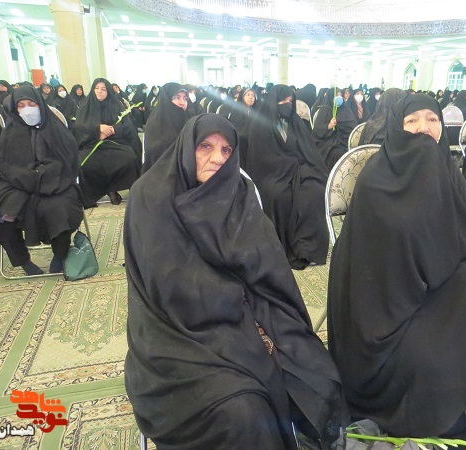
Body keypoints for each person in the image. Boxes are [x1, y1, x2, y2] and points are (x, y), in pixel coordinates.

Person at [124, 113, 348, 450]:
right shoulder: (151, 196)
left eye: (226, 150)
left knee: (312, 367)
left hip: (249, 309)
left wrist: (260, 315)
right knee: (241, 410)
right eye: (206, 147)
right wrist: (237, 302)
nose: (217, 158)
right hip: (177, 331)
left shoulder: (238, 193)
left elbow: (268, 265)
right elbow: (169, 286)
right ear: (187, 148)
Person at [328, 93, 466, 450]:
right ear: (396, 127)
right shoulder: (377, 180)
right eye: (412, 121)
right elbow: (376, 271)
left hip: (441, 293)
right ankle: (451, 430)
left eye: (432, 119)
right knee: (436, 357)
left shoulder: (447, 172)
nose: (423, 127)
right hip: (389, 314)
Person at [0, 85, 83, 275]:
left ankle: (59, 256)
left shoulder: (56, 129)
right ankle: (23, 261)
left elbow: (68, 162)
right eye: (21, 105)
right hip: (17, 184)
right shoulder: (10, 132)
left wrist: (42, 174)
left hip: (56, 183)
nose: (27, 109)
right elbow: (5, 166)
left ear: (40, 104)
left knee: (59, 210)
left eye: (31, 104)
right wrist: (27, 175)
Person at [245, 84, 329, 270]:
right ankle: (283, 247)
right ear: (274, 101)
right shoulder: (260, 124)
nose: (287, 104)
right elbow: (262, 158)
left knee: (314, 190)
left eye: (291, 101)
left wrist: (301, 166)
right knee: (280, 195)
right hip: (272, 173)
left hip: (299, 170)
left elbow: (308, 151)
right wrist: (289, 164)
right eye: (283, 100)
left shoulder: (296, 123)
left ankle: (307, 248)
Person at [74, 78, 141, 207]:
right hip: (92, 143)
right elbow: (79, 127)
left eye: (103, 89)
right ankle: (109, 191)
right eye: (96, 88)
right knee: (84, 162)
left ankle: (129, 189)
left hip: (115, 141)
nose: (99, 91)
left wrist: (111, 130)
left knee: (130, 158)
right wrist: (98, 128)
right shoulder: (85, 106)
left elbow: (127, 125)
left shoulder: (116, 105)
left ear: (108, 91)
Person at [142, 82, 189, 173]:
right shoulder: (156, 123)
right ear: (166, 99)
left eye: (185, 98)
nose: (182, 103)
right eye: (177, 97)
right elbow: (155, 158)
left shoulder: (185, 119)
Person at [312, 88, 357, 170]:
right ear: (330, 97)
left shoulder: (346, 110)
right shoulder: (325, 110)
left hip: (344, 140)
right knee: (337, 153)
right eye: (336, 95)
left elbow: (352, 127)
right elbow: (317, 131)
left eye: (340, 95)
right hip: (327, 141)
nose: (339, 97)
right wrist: (329, 126)